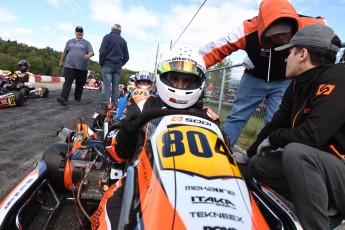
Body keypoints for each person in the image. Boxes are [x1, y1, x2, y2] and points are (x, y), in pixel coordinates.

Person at [90, 47, 221, 228]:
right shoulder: (144, 105)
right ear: (162, 78)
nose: (180, 86)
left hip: (199, 182)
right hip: (146, 179)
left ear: (198, 83)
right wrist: (128, 131)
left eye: (187, 81)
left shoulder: (210, 117)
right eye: (174, 79)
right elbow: (114, 149)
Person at [199, 0, 325, 163]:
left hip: (283, 81)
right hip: (253, 77)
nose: (281, 38)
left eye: (284, 32)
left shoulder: (308, 25)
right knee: (237, 115)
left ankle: (263, 162)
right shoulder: (247, 29)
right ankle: (218, 155)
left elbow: (325, 29)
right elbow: (219, 47)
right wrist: (193, 65)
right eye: (274, 34)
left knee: (275, 121)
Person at [246, 24, 345, 229]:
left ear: (303, 54)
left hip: (340, 171)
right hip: (323, 170)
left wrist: (275, 139)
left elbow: (313, 134)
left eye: (289, 52)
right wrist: (248, 155)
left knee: (297, 153)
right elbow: (275, 125)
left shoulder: (338, 76)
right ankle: (324, 203)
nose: (285, 58)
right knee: (258, 164)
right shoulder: (297, 84)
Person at [57, 26, 94, 105]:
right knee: (67, 82)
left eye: (81, 31)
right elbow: (65, 52)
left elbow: (91, 52)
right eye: (78, 31)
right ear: (75, 32)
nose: (79, 33)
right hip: (69, 66)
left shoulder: (87, 43)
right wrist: (61, 61)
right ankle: (63, 97)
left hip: (82, 68)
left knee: (80, 84)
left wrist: (88, 55)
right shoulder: (69, 42)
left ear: (83, 33)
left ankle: (77, 98)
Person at [99, 24, 129, 106]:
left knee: (106, 86)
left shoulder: (107, 37)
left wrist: (102, 62)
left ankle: (106, 105)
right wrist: (120, 64)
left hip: (107, 65)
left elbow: (102, 52)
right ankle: (114, 104)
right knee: (116, 87)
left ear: (112, 29)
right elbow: (126, 57)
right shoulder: (123, 41)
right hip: (117, 67)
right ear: (120, 31)